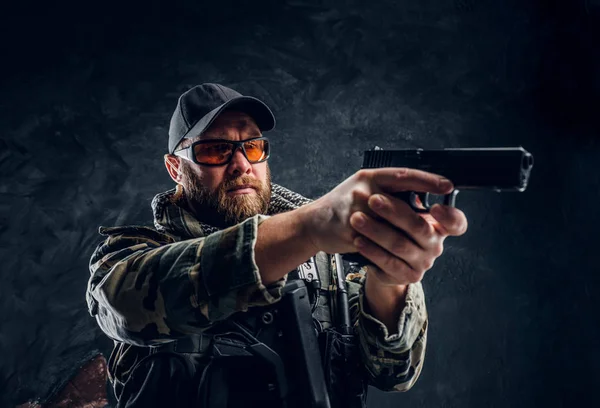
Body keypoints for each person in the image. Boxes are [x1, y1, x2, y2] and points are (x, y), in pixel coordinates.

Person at [86, 83, 468, 407]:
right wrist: (308, 228)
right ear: (175, 168)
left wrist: (390, 275)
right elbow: (125, 305)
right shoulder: (136, 253)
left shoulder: (329, 260)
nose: (240, 164)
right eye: (214, 150)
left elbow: (393, 373)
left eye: (251, 147)